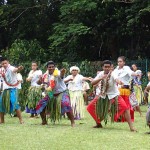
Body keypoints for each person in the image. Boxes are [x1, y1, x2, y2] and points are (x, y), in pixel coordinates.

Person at [87, 60, 136, 131]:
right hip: (102, 95)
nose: (107, 68)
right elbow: (93, 83)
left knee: (125, 108)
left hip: (114, 95)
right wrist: (101, 78)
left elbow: (116, 79)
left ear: (111, 68)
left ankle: (131, 127)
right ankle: (98, 124)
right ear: (102, 67)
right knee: (90, 107)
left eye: (108, 67)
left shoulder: (113, 73)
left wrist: (119, 82)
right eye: (105, 67)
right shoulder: (100, 74)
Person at [36, 61, 75, 126]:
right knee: (40, 104)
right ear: (47, 68)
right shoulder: (45, 75)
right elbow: (38, 83)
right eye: (49, 67)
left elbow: (62, 76)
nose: (51, 68)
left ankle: (72, 122)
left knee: (65, 104)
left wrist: (62, 73)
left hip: (62, 92)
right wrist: (39, 80)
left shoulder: (58, 73)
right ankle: (44, 121)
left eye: (52, 67)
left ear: (55, 67)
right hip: (51, 93)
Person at [113, 56, 139, 122]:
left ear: (124, 62)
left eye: (120, 61)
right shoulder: (116, 70)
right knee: (117, 104)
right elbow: (114, 77)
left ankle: (126, 118)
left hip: (125, 90)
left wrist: (135, 74)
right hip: (117, 90)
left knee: (126, 105)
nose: (119, 63)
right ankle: (119, 117)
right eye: (118, 61)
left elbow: (131, 72)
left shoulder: (126, 68)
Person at [0, 57, 23, 124]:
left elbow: (15, 70)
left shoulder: (11, 68)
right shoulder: (1, 70)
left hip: (13, 89)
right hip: (5, 89)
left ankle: (21, 120)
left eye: (5, 63)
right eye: (3, 63)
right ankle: (2, 120)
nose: (4, 64)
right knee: (1, 103)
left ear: (8, 62)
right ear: (1, 64)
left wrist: (18, 69)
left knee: (14, 103)